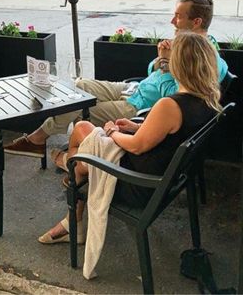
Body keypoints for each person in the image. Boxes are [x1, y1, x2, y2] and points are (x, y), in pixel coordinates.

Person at [38, 31, 221, 243]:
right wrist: (136, 127)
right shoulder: (208, 100)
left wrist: (113, 132)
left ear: (177, 64)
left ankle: (73, 211)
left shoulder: (170, 105)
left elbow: (135, 147)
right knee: (81, 137)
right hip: (165, 177)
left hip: (137, 184)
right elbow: (168, 134)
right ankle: (73, 203)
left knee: (79, 145)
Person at [5, 0, 229, 161]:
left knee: (78, 106)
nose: (172, 21)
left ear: (197, 22)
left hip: (141, 108)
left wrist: (168, 65)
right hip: (135, 88)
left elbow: (178, 100)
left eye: (178, 17)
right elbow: (153, 73)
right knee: (80, 85)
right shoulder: (185, 44)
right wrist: (161, 60)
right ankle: (65, 142)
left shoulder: (208, 59)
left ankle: (39, 139)